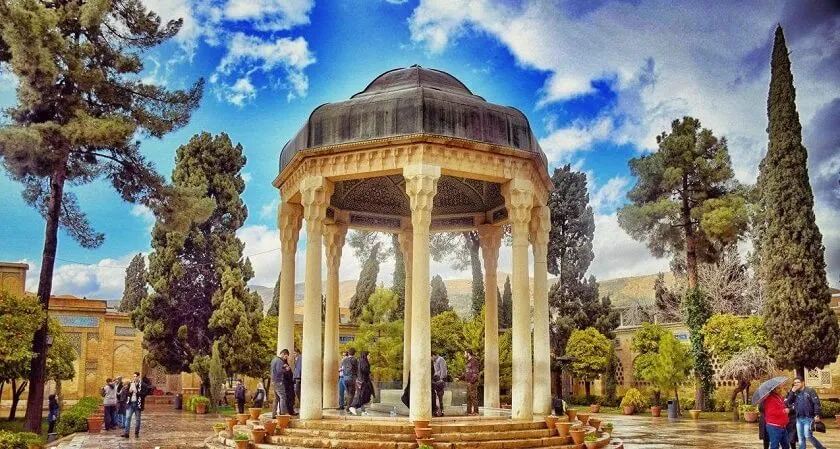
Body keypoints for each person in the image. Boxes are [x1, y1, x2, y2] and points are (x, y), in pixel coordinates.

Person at [786, 376, 825, 449]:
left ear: (803, 383)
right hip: (798, 418)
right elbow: (788, 402)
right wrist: (792, 392)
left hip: (808, 418)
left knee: (808, 436)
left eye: (798, 382)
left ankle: (821, 448)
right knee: (801, 437)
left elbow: (816, 403)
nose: (796, 384)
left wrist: (817, 414)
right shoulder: (794, 392)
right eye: (794, 383)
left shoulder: (810, 391)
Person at [121, 372, 148, 439]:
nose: (134, 377)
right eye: (134, 376)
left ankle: (136, 432)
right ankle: (126, 433)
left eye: (136, 376)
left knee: (137, 419)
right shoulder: (130, 384)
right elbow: (126, 393)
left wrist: (137, 392)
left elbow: (144, 394)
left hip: (137, 404)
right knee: (127, 418)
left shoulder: (143, 385)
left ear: (139, 377)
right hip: (130, 403)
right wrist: (129, 392)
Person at [765, 383, 791, 449]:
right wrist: (783, 411)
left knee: (786, 445)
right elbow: (771, 411)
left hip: (782, 426)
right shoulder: (770, 399)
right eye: (778, 388)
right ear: (773, 390)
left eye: (780, 388)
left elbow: (781, 407)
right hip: (774, 426)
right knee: (775, 446)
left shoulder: (778, 397)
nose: (780, 389)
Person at [349, 351, 372, 415]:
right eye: (369, 355)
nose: (370, 357)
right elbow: (365, 370)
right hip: (362, 382)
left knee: (363, 396)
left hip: (361, 381)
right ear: (365, 355)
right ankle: (353, 406)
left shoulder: (361, 361)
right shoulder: (363, 362)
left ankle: (363, 411)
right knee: (362, 395)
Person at [270, 349, 292, 417]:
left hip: (274, 381)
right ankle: (283, 414)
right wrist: (286, 369)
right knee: (283, 397)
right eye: (286, 356)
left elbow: (274, 370)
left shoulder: (274, 360)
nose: (286, 358)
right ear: (283, 354)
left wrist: (283, 367)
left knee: (276, 398)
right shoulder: (279, 361)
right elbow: (279, 371)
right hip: (279, 381)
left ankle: (274, 414)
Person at [463, 349, 480, 416]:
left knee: (473, 397)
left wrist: (471, 381)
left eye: (465, 353)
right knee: (468, 397)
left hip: (472, 383)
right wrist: (459, 377)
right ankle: (469, 412)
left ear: (468, 353)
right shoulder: (468, 362)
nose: (464, 355)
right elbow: (466, 372)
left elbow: (475, 373)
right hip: (468, 382)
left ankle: (476, 412)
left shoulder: (474, 361)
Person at [431, 351, 447, 417]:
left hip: (440, 381)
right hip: (436, 380)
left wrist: (441, 380)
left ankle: (441, 412)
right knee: (435, 397)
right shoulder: (434, 361)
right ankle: (436, 411)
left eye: (431, 357)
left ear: (433, 355)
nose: (431, 359)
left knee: (440, 396)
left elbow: (443, 370)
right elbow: (436, 372)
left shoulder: (441, 359)